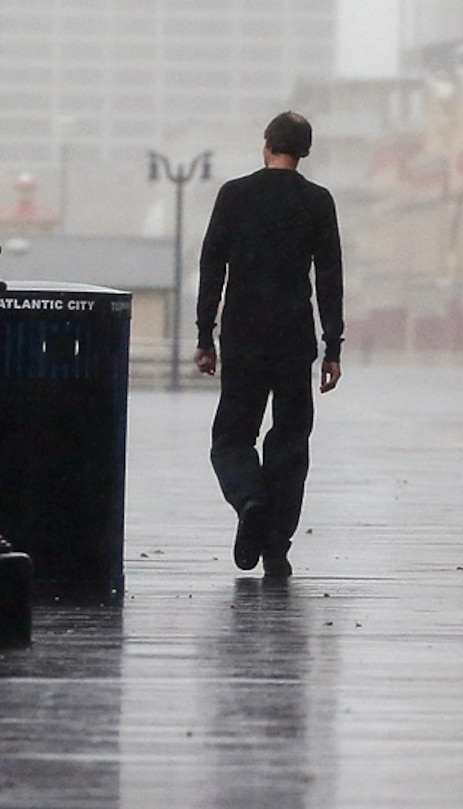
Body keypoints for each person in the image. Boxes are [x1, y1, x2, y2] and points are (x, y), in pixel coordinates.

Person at [195, 110, 345, 582]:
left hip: (242, 336)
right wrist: (332, 346)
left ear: (266, 144)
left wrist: (205, 335)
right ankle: (276, 547)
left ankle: (249, 500)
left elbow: (211, 267)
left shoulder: (234, 196)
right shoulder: (317, 202)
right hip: (294, 340)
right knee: (290, 442)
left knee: (232, 438)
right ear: (304, 151)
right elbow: (329, 278)